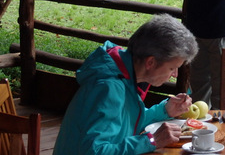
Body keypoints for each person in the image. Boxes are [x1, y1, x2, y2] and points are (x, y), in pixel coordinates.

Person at [53, 14, 199, 155]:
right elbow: (93, 151)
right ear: (150, 62)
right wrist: (151, 141)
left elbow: (125, 124)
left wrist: (165, 110)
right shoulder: (109, 88)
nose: (175, 75)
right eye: (172, 68)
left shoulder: (125, 74)